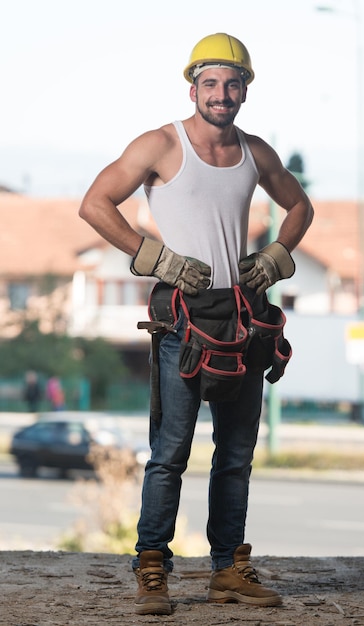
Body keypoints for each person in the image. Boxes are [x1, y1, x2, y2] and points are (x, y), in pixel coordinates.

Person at [79, 32, 314, 615]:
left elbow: (301, 206)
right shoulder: (161, 144)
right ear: (194, 88)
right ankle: (152, 568)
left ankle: (228, 570)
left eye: (233, 84)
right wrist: (156, 258)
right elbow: (95, 203)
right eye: (211, 83)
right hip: (182, 323)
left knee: (235, 453)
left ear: (244, 91)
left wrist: (276, 256)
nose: (222, 93)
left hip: (242, 319)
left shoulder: (256, 152)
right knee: (170, 453)